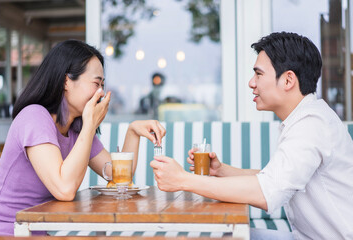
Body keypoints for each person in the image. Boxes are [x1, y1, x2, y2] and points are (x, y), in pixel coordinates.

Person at [150, 32, 353, 239]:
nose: (251, 83)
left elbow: (267, 191)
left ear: (288, 80)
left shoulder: (311, 125)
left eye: (259, 74)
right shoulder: (304, 120)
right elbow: (274, 177)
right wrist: (221, 171)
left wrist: (182, 180)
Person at [0, 40, 166, 236]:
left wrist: (133, 132)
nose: (101, 93)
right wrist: (90, 125)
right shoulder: (34, 117)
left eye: (102, 84)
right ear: (66, 81)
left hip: (37, 232)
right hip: (6, 232)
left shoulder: (77, 127)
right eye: (96, 83)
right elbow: (65, 189)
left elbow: (119, 177)